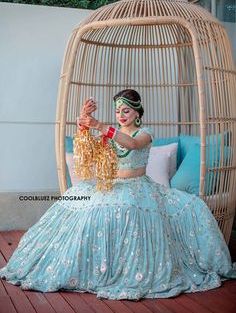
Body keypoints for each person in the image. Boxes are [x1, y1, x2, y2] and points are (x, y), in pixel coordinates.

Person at [0, 89, 235, 301]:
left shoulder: (145, 132)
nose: (121, 115)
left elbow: (132, 144)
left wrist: (102, 126)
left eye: (126, 110)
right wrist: (83, 123)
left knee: (148, 208)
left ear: (137, 112)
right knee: (79, 207)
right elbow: (88, 152)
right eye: (117, 111)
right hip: (112, 184)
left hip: (139, 185)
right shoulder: (110, 133)